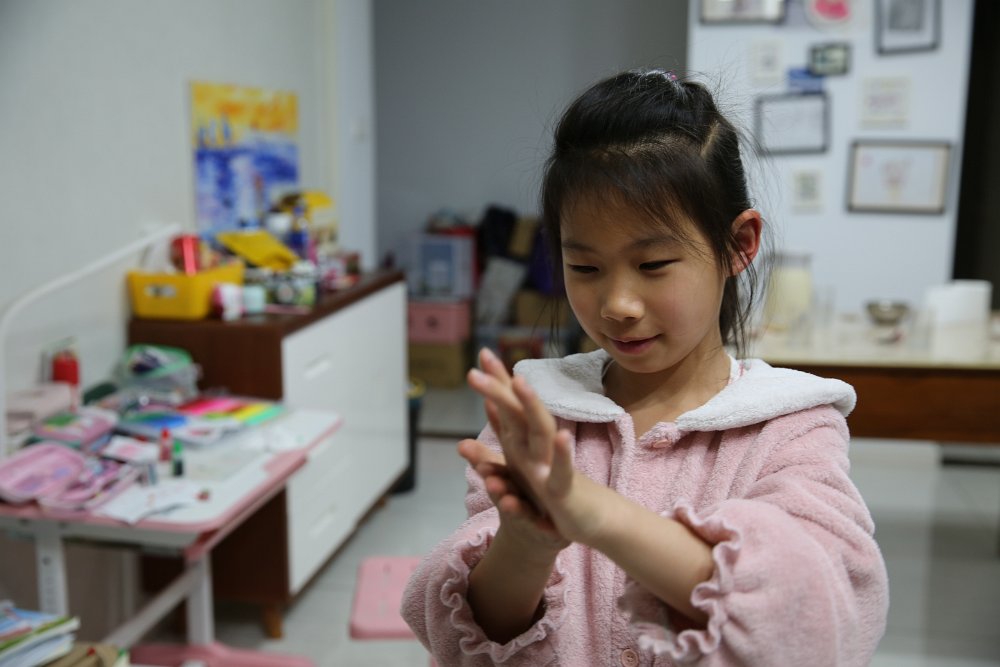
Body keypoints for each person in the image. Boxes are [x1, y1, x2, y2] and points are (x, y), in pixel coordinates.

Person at [401, 68, 889, 666]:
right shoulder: (542, 416)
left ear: (739, 244)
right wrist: (525, 544)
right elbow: (471, 642)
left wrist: (599, 515)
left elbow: (818, 615)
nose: (617, 305)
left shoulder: (791, 428)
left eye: (653, 264)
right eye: (585, 268)